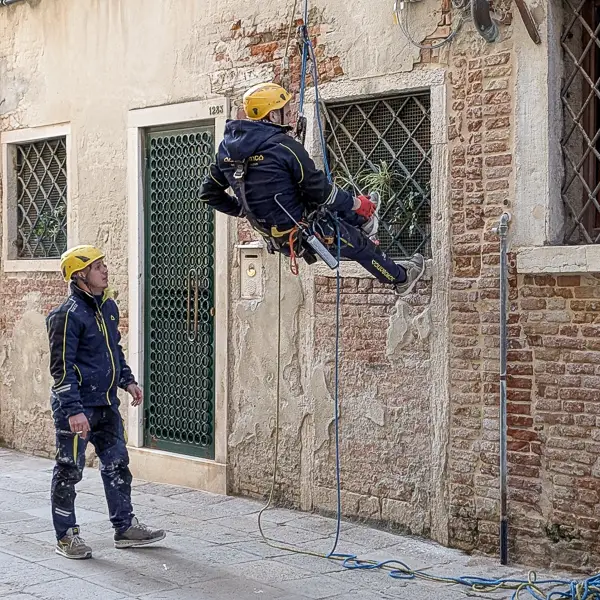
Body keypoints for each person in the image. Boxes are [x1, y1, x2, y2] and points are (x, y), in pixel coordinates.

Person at [199, 82, 425, 295]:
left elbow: (208, 193)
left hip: (278, 232)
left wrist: (242, 209)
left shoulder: (226, 152)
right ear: (272, 115)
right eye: (284, 110)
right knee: (360, 246)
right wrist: (358, 204)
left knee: (322, 206)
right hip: (303, 231)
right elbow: (321, 191)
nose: (290, 114)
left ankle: (364, 222)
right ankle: (401, 279)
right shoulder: (284, 147)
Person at [46, 245, 165, 559]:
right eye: (98, 266)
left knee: (117, 465)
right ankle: (66, 536)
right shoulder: (67, 314)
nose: (105, 270)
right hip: (78, 408)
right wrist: (72, 410)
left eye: (104, 265)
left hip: (106, 405)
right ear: (81, 275)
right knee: (70, 470)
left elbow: (114, 351)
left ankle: (124, 527)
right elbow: (61, 367)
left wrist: (128, 381)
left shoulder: (108, 307)